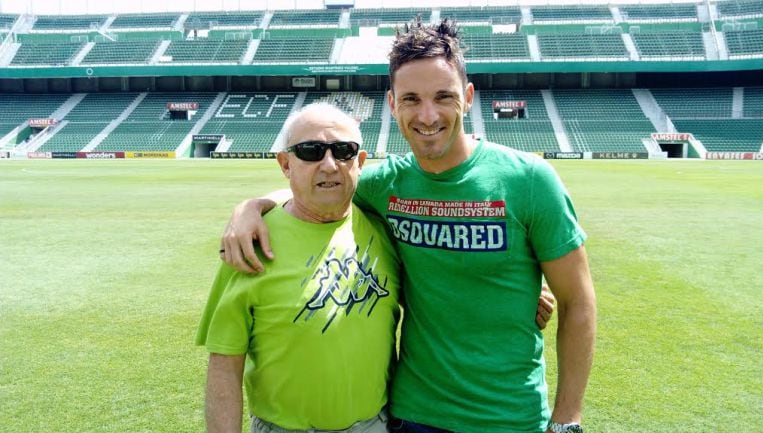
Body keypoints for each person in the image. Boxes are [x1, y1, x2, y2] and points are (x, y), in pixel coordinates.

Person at [222, 18, 595, 433]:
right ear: (392, 104)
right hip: (414, 414)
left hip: (509, 416)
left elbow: (578, 302)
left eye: (443, 97)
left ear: (468, 98)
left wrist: (567, 422)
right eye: (412, 99)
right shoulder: (385, 185)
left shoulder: (529, 181)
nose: (428, 115)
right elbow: (322, 188)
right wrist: (253, 206)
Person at [197, 103, 401, 433]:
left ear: (360, 163)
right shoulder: (250, 244)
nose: (330, 164)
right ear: (285, 164)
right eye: (311, 151)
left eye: (344, 151)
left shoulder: (384, 231)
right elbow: (224, 366)